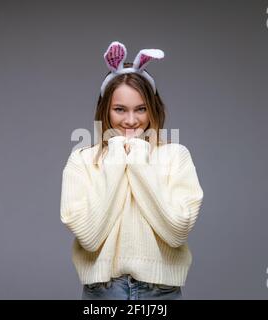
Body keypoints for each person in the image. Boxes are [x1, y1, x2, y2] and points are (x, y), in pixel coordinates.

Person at [60, 41, 204, 300]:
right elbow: (90, 237)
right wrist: (116, 155)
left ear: (153, 108)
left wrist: (137, 157)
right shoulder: (81, 161)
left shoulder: (176, 156)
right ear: (105, 109)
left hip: (161, 292)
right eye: (119, 109)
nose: (130, 120)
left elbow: (176, 231)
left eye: (141, 109)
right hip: (103, 293)